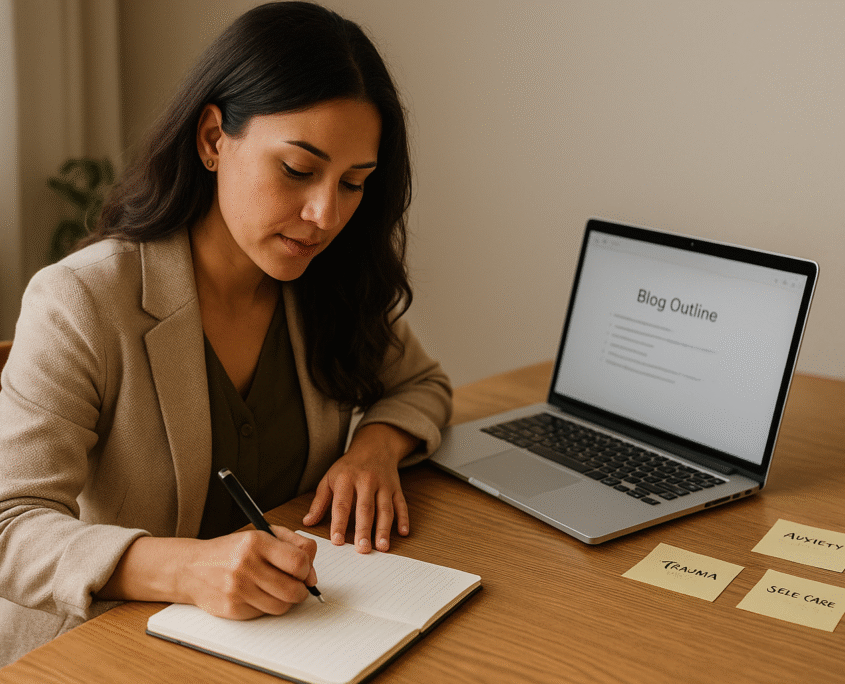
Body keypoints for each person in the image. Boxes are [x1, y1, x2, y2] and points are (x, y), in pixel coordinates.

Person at [0, 1, 451, 665]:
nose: (324, 214)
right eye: (298, 170)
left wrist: (375, 449)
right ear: (213, 138)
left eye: (354, 183)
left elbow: (420, 382)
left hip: (285, 645)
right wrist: (184, 569)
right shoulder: (84, 299)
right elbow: (11, 527)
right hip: (101, 653)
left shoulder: (327, 283)